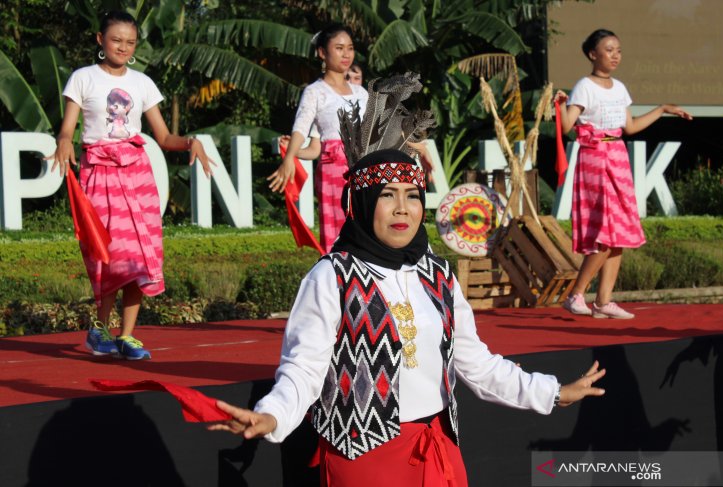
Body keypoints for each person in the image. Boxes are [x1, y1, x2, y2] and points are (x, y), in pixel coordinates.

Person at [209, 148, 606, 485]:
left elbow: (476, 363)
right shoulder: (332, 276)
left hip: (438, 451)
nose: (402, 208)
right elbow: (304, 370)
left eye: (413, 195)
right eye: (387, 195)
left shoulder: (438, 275)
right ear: (362, 205)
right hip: (366, 460)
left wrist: (553, 392)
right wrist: (271, 415)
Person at [49, 10, 214, 359]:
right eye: (116, 40)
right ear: (100, 40)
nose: (123, 47)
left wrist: (190, 142)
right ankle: (99, 329)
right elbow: (68, 128)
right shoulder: (83, 78)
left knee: (140, 256)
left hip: (138, 173)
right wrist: (64, 140)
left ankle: (126, 336)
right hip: (100, 173)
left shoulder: (142, 83)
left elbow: (165, 136)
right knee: (108, 254)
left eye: (130, 42)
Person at [555, 28, 691, 320]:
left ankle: (603, 301)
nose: (615, 55)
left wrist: (663, 109)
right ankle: (576, 294)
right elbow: (567, 126)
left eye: (618, 50)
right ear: (593, 54)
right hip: (594, 159)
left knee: (619, 234)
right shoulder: (584, 86)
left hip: (617, 158)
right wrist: (558, 104)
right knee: (605, 232)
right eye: (609, 49)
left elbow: (629, 128)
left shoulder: (620, 88)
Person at [268, 24, 368, 252]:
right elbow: (303, 131)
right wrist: (290, 156)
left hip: (364, 170)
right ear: (322, 53)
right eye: (339, 48)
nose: (346, 54)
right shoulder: (315, 92)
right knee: (339, 241)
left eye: (350, 48)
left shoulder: (361, 93)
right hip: (334, 172)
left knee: (369, 233)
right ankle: (337, 286)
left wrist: (417, 147)